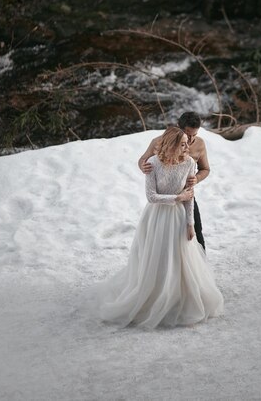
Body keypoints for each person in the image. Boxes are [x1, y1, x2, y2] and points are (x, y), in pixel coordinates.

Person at [95, 127, 224, 329]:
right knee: (158, 255)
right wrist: (176, 198)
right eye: (182, 143)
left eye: (187, 143)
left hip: (179, 217)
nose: (187, 146)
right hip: (156, 217)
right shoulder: (153, 164)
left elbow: (189, 197)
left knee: (179, 258)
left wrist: (190, 223)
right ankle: (153, 295)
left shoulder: (190, 163)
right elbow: (151, 197)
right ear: (171, 144)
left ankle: (178, 297)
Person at [138, 111, 209, 250]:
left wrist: (196, 179)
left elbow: (205, 169)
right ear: (178, 126)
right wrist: (142, 166)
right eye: (187, 134)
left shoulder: (199, 144)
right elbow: (144, 160)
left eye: (194, 135)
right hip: (162, 197)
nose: (190, 139)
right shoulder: (159, 141)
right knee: (161, 238)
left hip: (186, 194)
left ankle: (199, 265)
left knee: (196, 231)